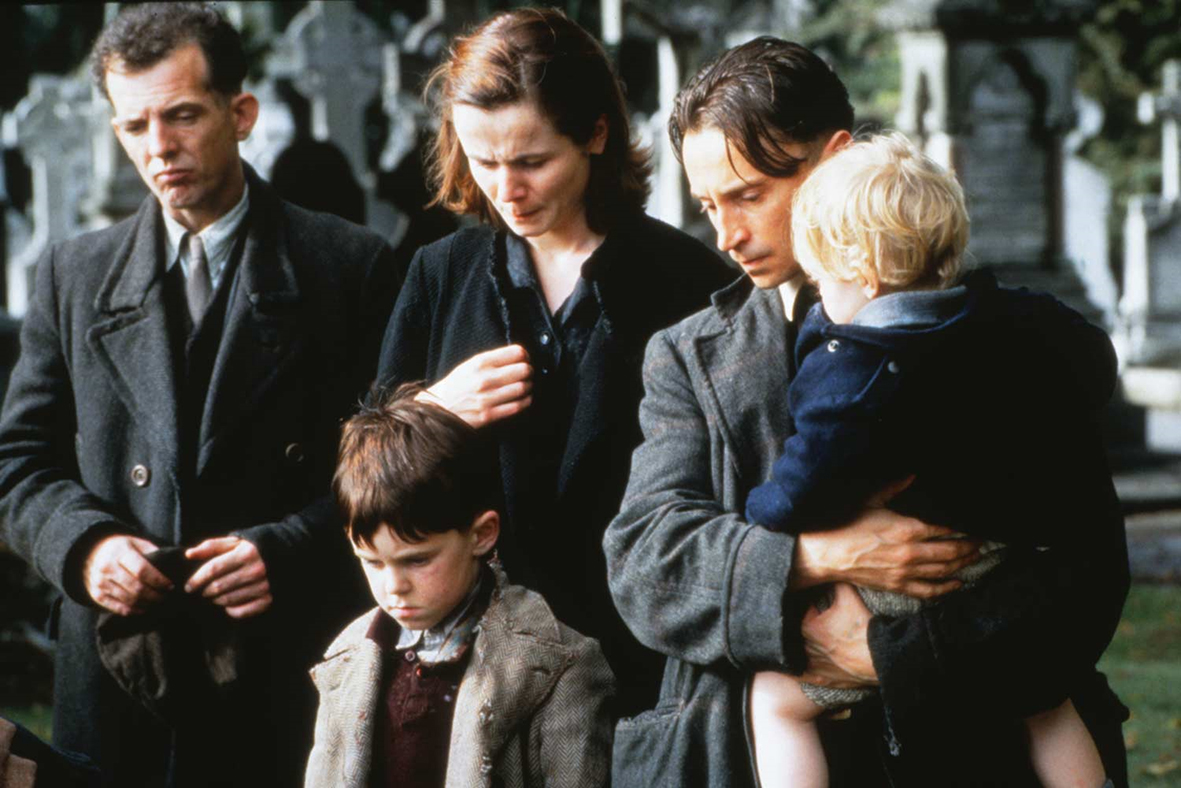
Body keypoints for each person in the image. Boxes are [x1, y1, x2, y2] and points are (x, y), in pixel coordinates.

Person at [604, 37, 1129, 787]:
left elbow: (1086, 568)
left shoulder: (992, 334)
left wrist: (890, 656)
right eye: (709, 206)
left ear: (835, 159)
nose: (726, 236)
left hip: (985, 751)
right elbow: (646, 565)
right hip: (755, 757)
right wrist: (815, 558)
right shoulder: (689, 354)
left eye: (749, 195)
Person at [0, 4, 399, 786]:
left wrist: (287, 549)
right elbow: (18, 461)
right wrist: (85, 547)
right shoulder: (73, 275)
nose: (159, 147)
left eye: (182, 115)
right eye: (134, 125)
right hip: (117, 665)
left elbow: (392, 469)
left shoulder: (347, 265)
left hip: (284, 663)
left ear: (239, 113)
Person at [374, 7, 734, 715]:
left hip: (642, 669)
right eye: (484, 162)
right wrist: (432, 411)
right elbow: (367, 481)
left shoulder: (687, 280)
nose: (506, 190)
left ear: (596, 134)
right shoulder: (438, 274)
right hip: (474, 672)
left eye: (532, 162)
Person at [743, 132, 1113, 788]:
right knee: (1046, 702)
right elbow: (1094, 358)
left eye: (822, 278)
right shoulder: (1010, 319)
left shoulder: (854, 373)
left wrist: (759, 509)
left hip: (915, 574)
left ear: (862, 270)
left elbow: (805, 486)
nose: (820, 297)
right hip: (1004, 561)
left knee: (774, 699)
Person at [305, 383, 615, 788]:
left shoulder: (560, 667)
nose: (393, 586)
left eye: (417, 560)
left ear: (482, 535)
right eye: (372, 562)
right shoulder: (347, 659)